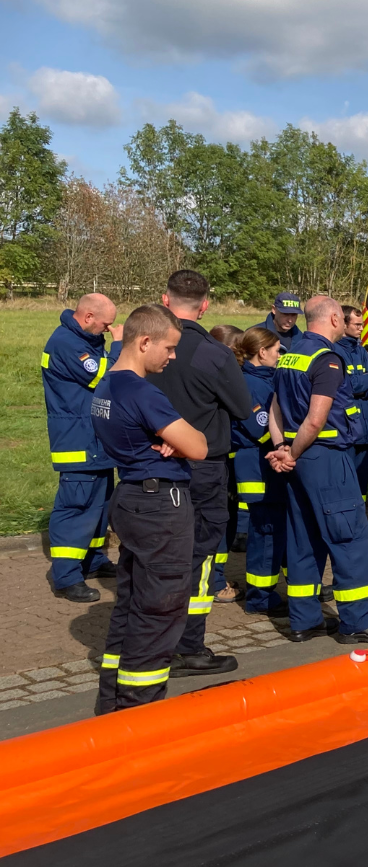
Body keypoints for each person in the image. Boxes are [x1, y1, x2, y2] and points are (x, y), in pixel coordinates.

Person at [92, 303, 209, 714]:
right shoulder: (143, 391)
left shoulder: (107, 385)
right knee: (161, 607)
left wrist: (167, 440)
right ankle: (140, 708)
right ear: (145, 342)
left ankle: (113, 699)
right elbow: (199, 446)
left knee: (131, 602)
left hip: (131, 495)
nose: (172, 356)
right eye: (169, 347)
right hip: (160, 503)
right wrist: (180, 440)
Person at [268, 296, 368, 645]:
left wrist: (282, 447)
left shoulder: (290, 354)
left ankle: (304, 621)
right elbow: (316, 419)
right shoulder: (326, 358)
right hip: (324, 458)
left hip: (296, 459)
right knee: (350, 537)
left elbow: (275, 407)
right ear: (332, 319)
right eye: (341, 317)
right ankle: (357, 621)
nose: (344, 322)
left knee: (303, 539)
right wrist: (294, 451)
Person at [149, 270, 249, 678]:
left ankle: (149, 641)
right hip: (202, 467)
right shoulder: (214, 354)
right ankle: (188, 647)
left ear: (165, 300)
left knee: (156, 554)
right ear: (205, 306)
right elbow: (242, 408)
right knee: (200, 555)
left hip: (151, 464)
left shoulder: (142, 346)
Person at [41, 293, 120, 602]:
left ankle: (92, 560)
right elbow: (104, 376)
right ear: (88, 317)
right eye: (105, 324)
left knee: (99, 507)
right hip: (78, 441)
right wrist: (119, 346)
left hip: (95, 440)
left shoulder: (84, 339)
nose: (107, 330)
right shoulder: (66, 343)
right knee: (76, 509)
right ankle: (66, 576)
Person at [232, 326, 287, 615]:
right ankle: (259, 597)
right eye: (277, 351)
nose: (280, 356)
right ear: (262, 352)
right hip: (257, 466)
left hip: (266, 464)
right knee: (265, 533)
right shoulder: (247, 383)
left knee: (275, 530)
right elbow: (259, 428)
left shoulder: (264, 379)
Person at [207, 323, 249, 606]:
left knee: (224, 520)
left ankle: (217, 577)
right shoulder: (224, 377)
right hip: (221, 460)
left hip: (223, 458)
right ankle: (214, 581)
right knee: (219, 522)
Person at [337, 305, 368, 512]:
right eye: (357, 324)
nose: (361, 328)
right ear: (343, 324)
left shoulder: (361, 350)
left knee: (361, 477)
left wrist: (364, 382)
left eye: (362, 324)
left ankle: (360, 517)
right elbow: (348, 386)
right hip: (347, 426)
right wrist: (367, 380)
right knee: (345, 478)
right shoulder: (336, 351)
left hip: (364, 425)